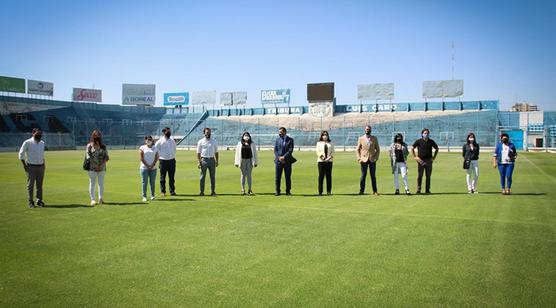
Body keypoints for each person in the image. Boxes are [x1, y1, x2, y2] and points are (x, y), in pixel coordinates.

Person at [18, 128, 46, 208]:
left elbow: (42, 155)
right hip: (31, 166)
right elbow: (21, 154)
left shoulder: (42, 143)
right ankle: (30, 201)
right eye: (37, 133)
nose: (39, 135)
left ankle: (39, 200)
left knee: (39, 185)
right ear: (33, 133)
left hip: (40, 166)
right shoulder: (27, 142)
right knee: (30, 185)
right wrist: (24, 165)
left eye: (40, 134)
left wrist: (44, 165)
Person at [411, 128, 438, 194]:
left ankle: (427, 190)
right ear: (422, 134)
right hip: (421, 161)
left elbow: (437, 148)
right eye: (425, 133)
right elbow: (412, 148)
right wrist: (415, 157)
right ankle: (418, 190)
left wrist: (434, 157)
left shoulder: (431, 141)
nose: (426, 134)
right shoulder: (418, 141)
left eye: (427, 133)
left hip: (429, 161)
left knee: (428, 176)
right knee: (420, 176)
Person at [86, 130, 109, 206]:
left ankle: (100, 198)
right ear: (92, 136)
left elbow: (106, 157)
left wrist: (101, 166)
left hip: (102, 168)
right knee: (92, 183)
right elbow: (88, 157)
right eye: (95, 135)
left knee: (101, 183)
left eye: (98, 135)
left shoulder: (103, 146)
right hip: (92, 168)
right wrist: (95, 166)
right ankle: (92, 199)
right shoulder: (89, 146)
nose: (97, 137)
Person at [356, 125, 380, 195]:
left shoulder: (374, 138)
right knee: (363, 175)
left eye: (369, 129)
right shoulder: (361, 138)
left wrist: (376, 157)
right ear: (364, 130)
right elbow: (357, 149)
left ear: (370, 130)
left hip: (372, 159)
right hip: (363, 159)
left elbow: (377, 149)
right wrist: (359, 158)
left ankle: (375, 191)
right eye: (366, 129)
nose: (367, 130)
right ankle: (361, 191)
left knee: (373, 176)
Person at [197, 128, 219, 196]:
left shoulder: (214, 141)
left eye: (209, 132)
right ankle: (201, 192)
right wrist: (198, 161)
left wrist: (217, 161)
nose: (208, 134)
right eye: (206, 132)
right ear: (204, 133)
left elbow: (216, 152)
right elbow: (198, 153)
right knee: (202, 177)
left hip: (212, 160)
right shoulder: (200, 141)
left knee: (212, 177)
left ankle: (213, 191)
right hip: (204, 160)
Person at [155, 127, 177, 196]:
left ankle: (172, 191)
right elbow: (156, 151)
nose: (169, 132)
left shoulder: (172, 140)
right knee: (162, 177)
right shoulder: (159, 141)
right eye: (168, 131)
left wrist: (172, 157)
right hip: (163, 161)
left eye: (169, 131)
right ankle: (163, 191)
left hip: (171, 161)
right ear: (164, 132)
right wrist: (159, 159)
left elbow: (174, 149)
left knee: (172, 177)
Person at [274, 127, 295, 196]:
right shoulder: (277, 140)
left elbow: (290, 150)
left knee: (288, 177)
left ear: (285, 132)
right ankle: (277, 191)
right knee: (277, 177)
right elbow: (275, 150)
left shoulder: (290, 140)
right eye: (279, 132)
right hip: (278, 161)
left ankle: (288, 191)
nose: (280, 133)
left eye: (281, 132)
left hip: (287, 161)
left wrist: (284, 157)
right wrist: (279, 157)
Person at [139, 136, 159, 202]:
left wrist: (152, 165)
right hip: (144, 168)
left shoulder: (155, 148)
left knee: (152, 182)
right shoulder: (142, 147)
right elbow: (141, 158)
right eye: (147, 140)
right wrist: (148, 166)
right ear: (145, 140)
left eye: (150, 140)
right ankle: (144, 196)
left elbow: (156, 157)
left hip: (153, 168)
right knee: (144, 182)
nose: (149, 141)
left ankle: (152, 196)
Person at [315, 130, 334, 196]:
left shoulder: (330, 143)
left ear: (328, 136)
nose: (325, 136)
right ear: (321, 136)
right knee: (321, 177)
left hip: (329, 162)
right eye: (323, 135)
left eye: (326, 135)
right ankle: (320, 191)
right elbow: (317, 151)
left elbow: (333, 152)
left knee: (329, 177)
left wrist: (328, 158)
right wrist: (323, 158)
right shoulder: (319, 143)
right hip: (321, 162)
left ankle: (329, 191)